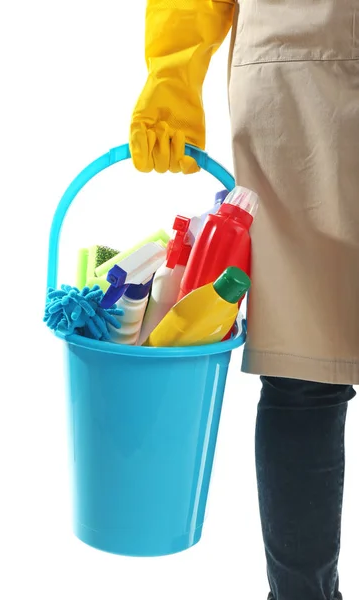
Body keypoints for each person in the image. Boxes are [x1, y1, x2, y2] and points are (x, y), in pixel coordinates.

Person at [129, 1, 359, 599]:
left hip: (295, 63)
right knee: (304, 369)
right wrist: (171, 77)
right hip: (299, 74)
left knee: (304, 379)